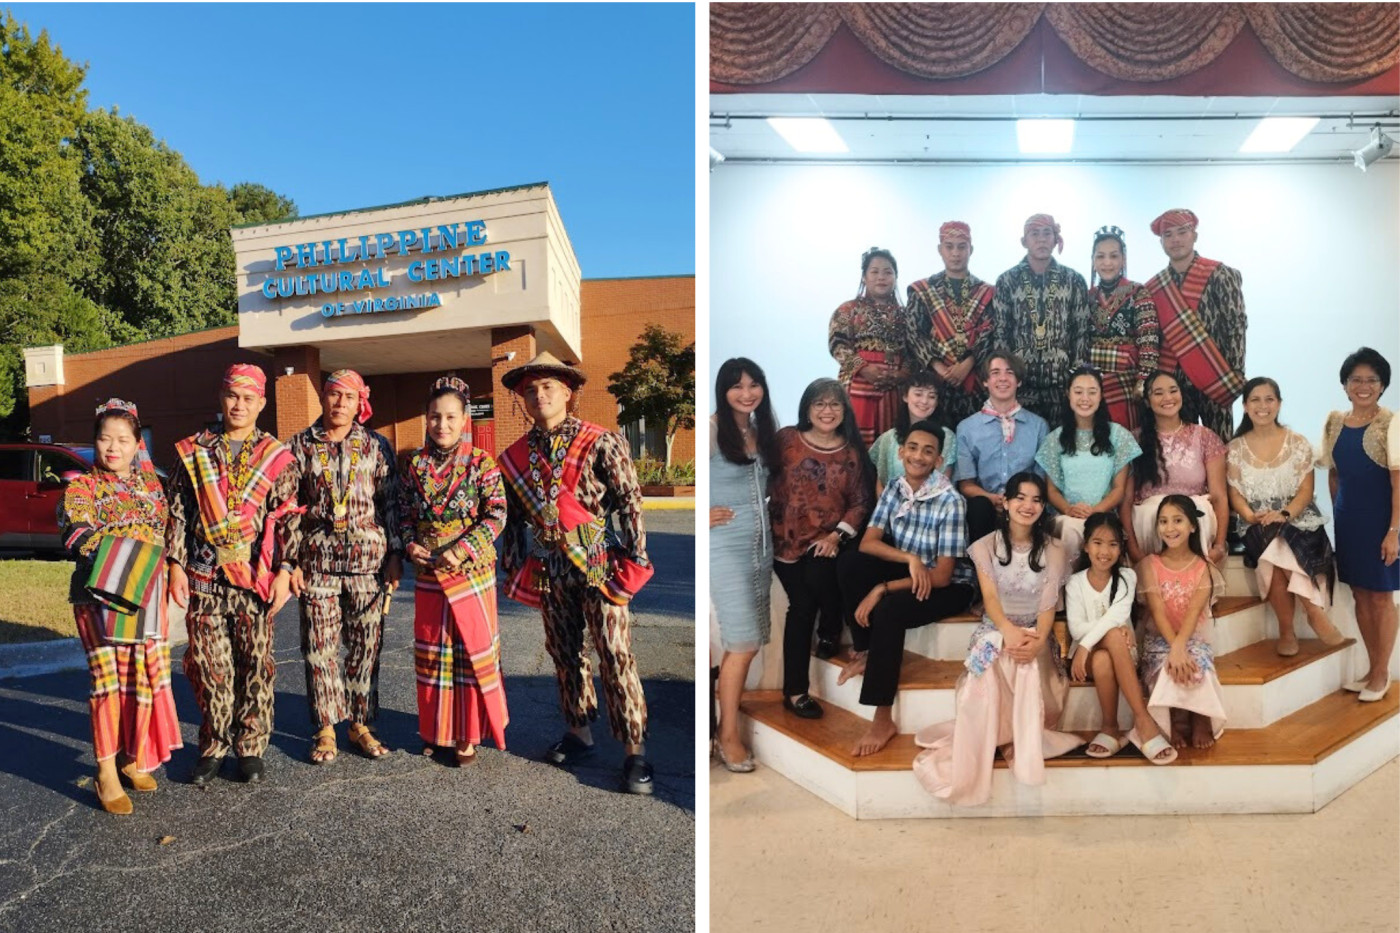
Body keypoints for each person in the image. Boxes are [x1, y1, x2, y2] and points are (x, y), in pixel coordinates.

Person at [497, 352, 656, 794]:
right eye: (530, 389)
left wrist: (637, 557)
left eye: (548, 386)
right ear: (523, 400)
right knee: (564, 653)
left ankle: (634, 751)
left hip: (598, 561)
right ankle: (580, 732)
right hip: (550, 566)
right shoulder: (513, 456)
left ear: (567, 392)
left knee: (614, 652)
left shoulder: (601, 440)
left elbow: (629, 500)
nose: (538, 394)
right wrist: (511, 562)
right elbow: (510, 518)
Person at [911, 473, 1080, 806]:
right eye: (1020, 497)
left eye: (1035, 500)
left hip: (1036, 632)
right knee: (994, 654)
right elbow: (990, 599)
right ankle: (986, 733)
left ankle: (1022, 736)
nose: (1027, 505)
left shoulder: (1056, 549)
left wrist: (1037, 638)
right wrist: (1007, 632)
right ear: (1005, 501)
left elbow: (1048, 604)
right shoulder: (985, 546)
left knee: (1026, 660)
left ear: (1043, 507)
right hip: (994, 627)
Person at [168, 364, 298, 785]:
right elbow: (178, 512)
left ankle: (250, 746)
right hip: (205, 577)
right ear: (220, 398)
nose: (239, 405)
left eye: (248, 398)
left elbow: (291, 517)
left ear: (262, 402)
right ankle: (213, 744)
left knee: (254, 665)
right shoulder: (195, 452)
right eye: (232, 396)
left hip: (253, 580)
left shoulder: (277, 457)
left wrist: (286, 571)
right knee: (209, 667)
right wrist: (174, 564)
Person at [58, 399, 183, 813]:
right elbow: (75, 535)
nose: (113, 447)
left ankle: (132, 757)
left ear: (137, 444)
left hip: (148, 595)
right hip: (99, 597)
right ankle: (105, 770)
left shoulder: (152, 487)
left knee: (143, 679)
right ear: (95, 442)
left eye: (123, 440)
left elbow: (170, 531)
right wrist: (133, 554)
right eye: (105, 438)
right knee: (108, 684)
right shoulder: (82, 485)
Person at [834, 421, 976, 757]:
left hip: (950, 585)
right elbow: (869, 543)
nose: (918, 456)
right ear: (901, 453)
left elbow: (940, 577)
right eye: (912, 448)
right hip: (914, 569)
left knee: (889, 610)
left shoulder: (950, 501)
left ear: (938, 461)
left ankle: (882, 717)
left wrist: (883, 587)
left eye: (928, 451)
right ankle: (866, 650)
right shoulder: (896, 488)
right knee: (849, 562)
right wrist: (908, 558)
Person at [285, 370, 403, 764]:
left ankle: (359, 723)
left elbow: (391, 506)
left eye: (348, 397)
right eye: (334, 395)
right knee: (320, 650)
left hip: (369, 565)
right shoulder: (299, 446)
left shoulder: (376, 446)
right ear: (322, 396)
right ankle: (324, 727)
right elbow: (287, 511)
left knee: (366, 649)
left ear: (359, 402)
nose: (340, 403)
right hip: (317, 563)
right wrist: (289, 561)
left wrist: (395, 555)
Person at [399, 377, 509, 765]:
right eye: (434, 417)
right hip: (429, 574)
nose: (441, 425)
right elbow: (405, 516)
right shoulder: (413, 465)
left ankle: (467, 735)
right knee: (434, 655)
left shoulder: (483, 464)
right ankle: (437, 730)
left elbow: (497, 515)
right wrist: (411, 544)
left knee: (469, 654)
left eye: (449, 417)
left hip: (470, 573)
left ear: (464, 419)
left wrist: (461, 551)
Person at [769, 378, 875, 718]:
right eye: (819, 404)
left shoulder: (852, 453)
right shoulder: (785, 440)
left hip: (828, 542)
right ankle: (800, 682)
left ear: (844, 410)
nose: (827, 411)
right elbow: (754, 473)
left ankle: (826, 636)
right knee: (803, 603)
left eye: (834, 404)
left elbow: (860, 502)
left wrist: (835, 537)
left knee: (814, 587)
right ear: (807, 409)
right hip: (783, 542)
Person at [1226, 377, 1347, 657]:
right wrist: (1250, 515)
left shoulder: (1298, 443)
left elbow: (1306, 491)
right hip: (1256, 522)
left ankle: (1288, 629)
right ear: (1245, 406)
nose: (1263, 406)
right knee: (1271, 540)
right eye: (1255, 400)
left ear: (1279, 404)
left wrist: (1284, 513)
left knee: (1276, 549)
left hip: (1298, 519)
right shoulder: (1235, 448)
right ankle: (1312, 609)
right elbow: (1236, 497)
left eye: (1269, 399)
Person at [710, 358, 781, 772]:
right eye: (737, 386)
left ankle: (725, 727)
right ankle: (727, 735)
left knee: (748, 641)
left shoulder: (758, 430)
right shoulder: (713, 428)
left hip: (760, 547)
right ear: (723, 390)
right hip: (726, 547)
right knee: (742, 643)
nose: (747, 392)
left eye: (754, 384)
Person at [1317, 348, 1399, 702]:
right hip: (1349, 523)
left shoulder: (1391, 424)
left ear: (1382, 386)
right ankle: (1371, 668)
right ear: (1345, 385)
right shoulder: (1335, 422)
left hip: (1383, 522)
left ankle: (1382, 673)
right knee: (1361, 597)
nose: (1363, 386)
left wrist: (1394, 531)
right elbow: (1334, 473)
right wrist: (1338, 512)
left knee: (1381, 598)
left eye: (1371, 380)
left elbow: (1399, 482)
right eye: (1356, 380)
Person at [1065, 513, 1176, 765]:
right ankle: (1143, 721)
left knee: (1106, 655)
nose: (1105, 551)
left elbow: (1118, 614)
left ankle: (1110, 728)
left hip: (1122, 653)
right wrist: (1088, 642)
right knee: (1113, 635)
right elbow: (1076, 628)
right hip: (1086, 657)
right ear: (1085, 545)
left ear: (1120, 548)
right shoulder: (1075, 583)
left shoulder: (1127, 576)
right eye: (1097, 542)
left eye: (1113, 544)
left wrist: (1087, 642)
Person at [1144, 209, 1246, 444]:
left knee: (1221, 447)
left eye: (1182, 232)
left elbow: (1236, 327)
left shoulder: (1222, 274)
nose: (1176, 239)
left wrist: (1236, 372)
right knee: (1178, 452)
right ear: (1161, 242)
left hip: (1215, 375)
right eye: (1168, 235)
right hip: (1173, 384)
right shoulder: (1153, 287)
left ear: (1194, 235)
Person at [1136, 495, 1228, 749]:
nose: (1170, 528)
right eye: (1163, 521)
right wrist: (1172, 649)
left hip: (1192, 638)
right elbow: (1157, 611)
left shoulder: (1204, 567)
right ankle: (1173, 721)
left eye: (1177, 520)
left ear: (1192, 526)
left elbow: (1193, 613)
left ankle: (1200, 718)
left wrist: (1180, 648)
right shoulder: (1149, 565)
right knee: (1168, 670)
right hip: (1158, 639)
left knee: (1197, 667)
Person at [989, 214, 1092, 423]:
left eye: (1047, 233)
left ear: (1056, 239)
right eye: (1034, 234)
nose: (1041, 239)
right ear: (1024, 241)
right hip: (1020, 387)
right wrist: (1006, 380)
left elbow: (1081, 332)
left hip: (1061, 387)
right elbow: (1001, 332)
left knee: (1060, 449)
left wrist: (1076, 381)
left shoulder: (1073, 280)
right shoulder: (1008, 280)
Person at [1122, 371, 1228, 567]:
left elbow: (1219, 496)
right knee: (1154, 510)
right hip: (1150, 525)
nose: (1168, 398)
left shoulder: (1205, 437)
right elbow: (1126, 499)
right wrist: (1133, 549)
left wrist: (1220, 545)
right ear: (1147, 401)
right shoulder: (1133, 441)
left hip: (1195, 524)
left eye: (1173, 391)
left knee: (1198, 510)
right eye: (1159, 393)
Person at [1035, 367, 1141, 562]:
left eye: (1092, 392)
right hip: (1067, 517)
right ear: (1068, 395)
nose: (1085, 398)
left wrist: (1096, 511)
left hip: (1105, 515)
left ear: (1101, 396)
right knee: (1069, 529)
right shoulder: (1055, 439)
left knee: (1102, 533)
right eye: (1078, 392)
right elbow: (1052, 492)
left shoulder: (1118, 436)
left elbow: (1119, 489)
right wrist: (1068, 509)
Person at [905, 221, 996, 425]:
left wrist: (967, 364)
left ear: (970, 249)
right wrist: (939, 367)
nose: (955, 253)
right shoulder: (923, 290)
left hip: (975, 385)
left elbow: (991, 331)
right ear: (940, 250)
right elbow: (913, 334)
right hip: (934, 387)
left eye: (961, 246)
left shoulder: (987, 292)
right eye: (949, 246)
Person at [955, 351, 1048, 544]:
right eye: (995, 372)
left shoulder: (1038, 426)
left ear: (1019, 381)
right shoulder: (967, 428)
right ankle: (982, 568)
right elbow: (966, 484)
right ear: (985, 381)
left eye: (1010, 372)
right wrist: (991, 498)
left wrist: (1017, 500)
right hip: (986, 508)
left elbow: (1040, 479)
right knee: (978, 506)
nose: (1003, 378)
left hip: (1025, 506)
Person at [829, 247, 909, 443]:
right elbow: (837, 345)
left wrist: (902, 374)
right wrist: (864, 368)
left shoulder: (906, 315)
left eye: (888, 272)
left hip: (895, 391)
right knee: (853, 447)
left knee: (891, 447)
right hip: (857, 387)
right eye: (874, 271)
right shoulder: (848, 309)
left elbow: (914, 352)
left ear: (895, 277)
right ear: (864, 277)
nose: (881, 277)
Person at [1085, 226, 1160, 431]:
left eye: (1113, 256)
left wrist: (1143, 381)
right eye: (1100, 256)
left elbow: (1149, 341)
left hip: (1127, 384)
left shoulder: (1138, 293)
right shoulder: (1087, 296)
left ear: (1123, 259)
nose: (1107, 262)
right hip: (1091, 384)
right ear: (1093, 261)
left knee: (1126, 443)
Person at [867, 370, 957, 492]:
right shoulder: (888, 438)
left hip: (933, 507)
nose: (924, 401)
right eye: (918, 394)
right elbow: (881, 482)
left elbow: (944, 483)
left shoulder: (947, 436)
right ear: (905, 396)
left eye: (931, 396)